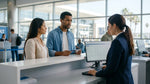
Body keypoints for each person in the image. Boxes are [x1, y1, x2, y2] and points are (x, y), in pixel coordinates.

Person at [88, 14, 135, 84]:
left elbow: (111, 70)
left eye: (109, 26)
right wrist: (109, 66)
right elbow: (120, 63)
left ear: (114, 25)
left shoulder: (117, 42)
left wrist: (96, 73)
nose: (108, 28)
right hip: (126, 80)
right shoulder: (126, 39)